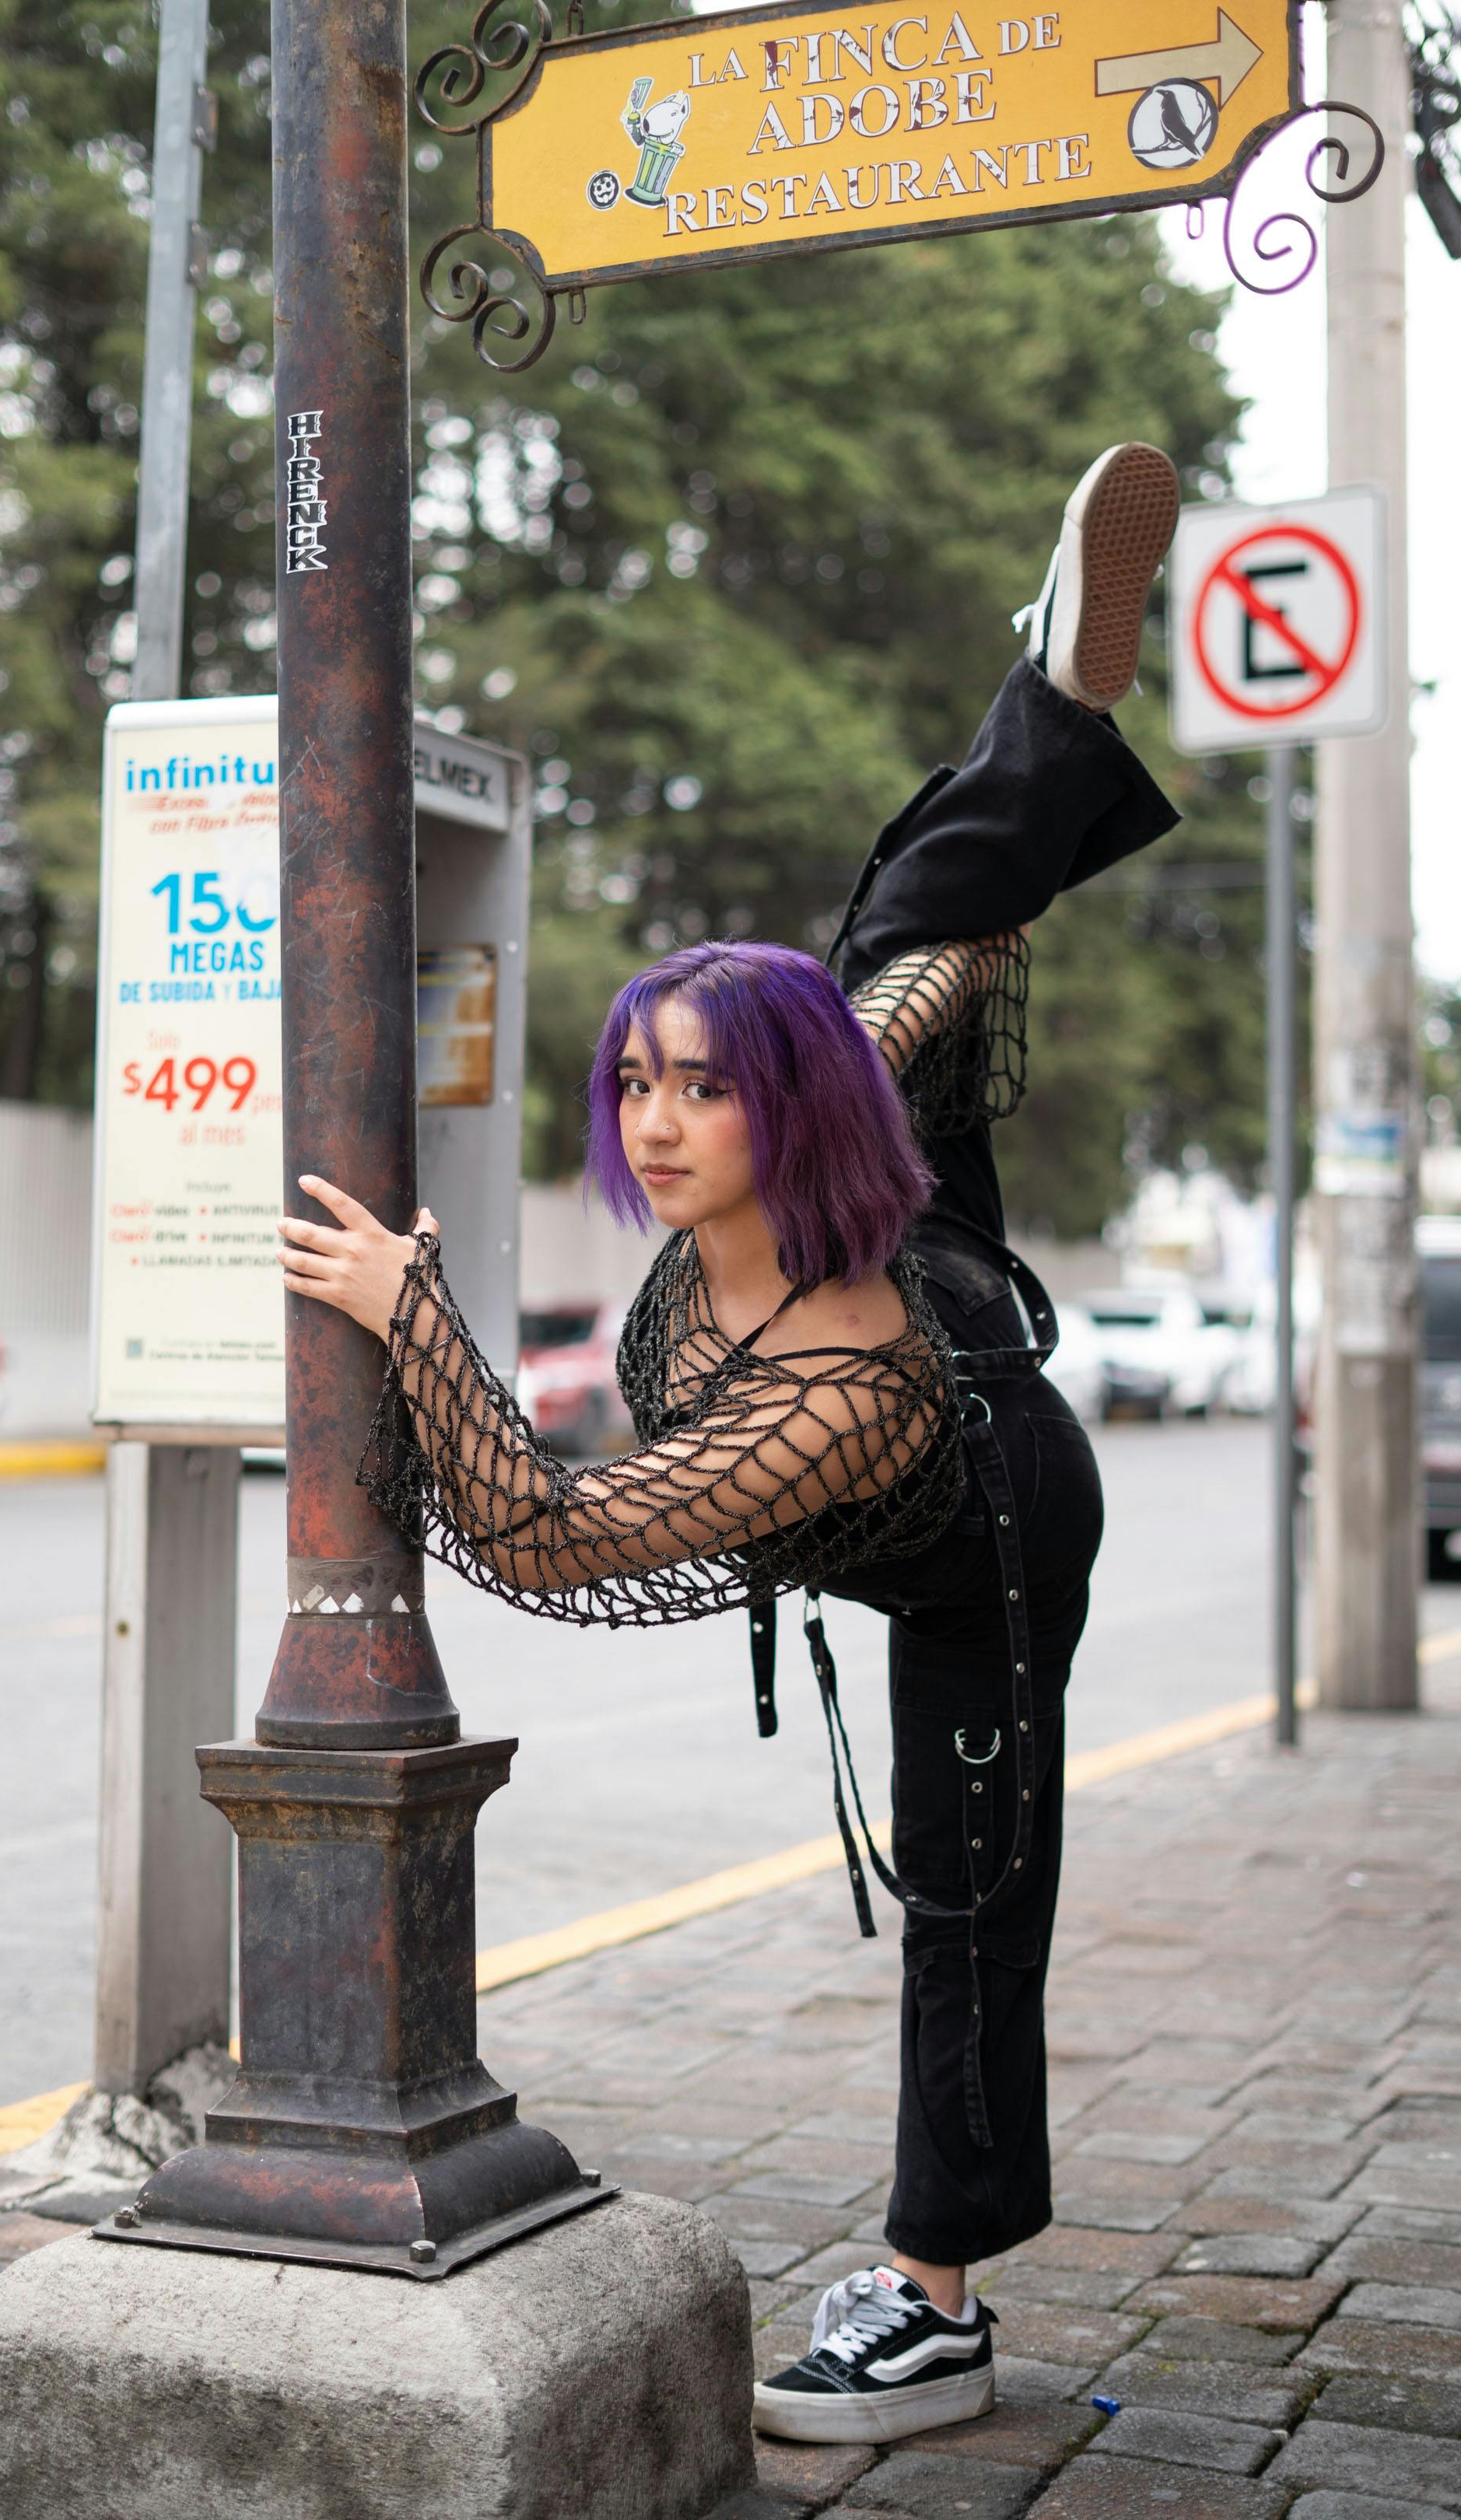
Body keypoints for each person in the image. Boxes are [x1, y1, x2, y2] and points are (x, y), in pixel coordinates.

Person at [278, 443, 1183, 2449]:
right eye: (634, 1082)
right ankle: (1055, 701)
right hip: (892, 1196)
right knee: (899, 931)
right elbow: (927, 967)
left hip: (982, 1488)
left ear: (774, 1114)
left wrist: (406, 1310)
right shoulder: (837, 1086)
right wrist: (1000, 874)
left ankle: (935, 2296)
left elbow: (547, 1533)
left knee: (973, 1890)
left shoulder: (822, 1412)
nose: (658, 1121)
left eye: (701, 1090)